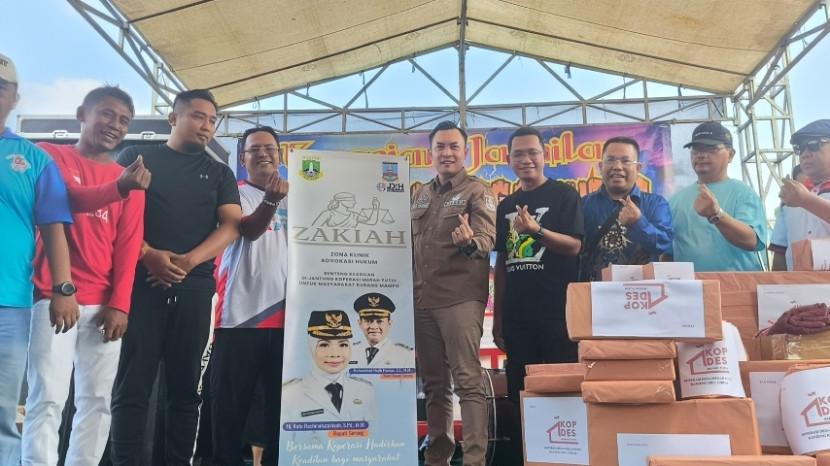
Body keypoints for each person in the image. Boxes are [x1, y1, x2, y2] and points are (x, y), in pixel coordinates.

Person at [109, 89, 242, 466]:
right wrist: (148, 254)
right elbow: (114, 215)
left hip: (195, 291)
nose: (206, 126)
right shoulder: (136, 158)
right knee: (132, 387)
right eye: (198, 116)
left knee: (185, 393)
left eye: (212, 120)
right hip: (139, 289)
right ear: (173, 118)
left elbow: (232, 225)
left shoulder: (220, 172)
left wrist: (188, 261)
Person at [22, 86, 147, 466]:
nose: (115, 125)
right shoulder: (48, 155)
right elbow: (64, 200)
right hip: (53, 296)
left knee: (96, 401)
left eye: (124, 120)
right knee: (47, 398)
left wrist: (120, 304)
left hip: (103, 305)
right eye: (107, 114)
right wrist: (119, 188)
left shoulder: (128, 179)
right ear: (82, 114)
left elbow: (129, 246)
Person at [0, 52, 77, 465]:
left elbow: (53, 229)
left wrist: (63, 289)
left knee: (2, 412)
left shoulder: (35, 160)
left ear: (15, 98)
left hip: (9, 304)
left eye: (1, 87)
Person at [491, 126, 583, 464]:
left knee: (564, 390)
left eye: (532, 152)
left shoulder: (564, 196)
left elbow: (574, 246)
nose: (526, 159)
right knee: (521, 393)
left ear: (545, 156)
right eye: (518, 153)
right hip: (518, 317)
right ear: (508, 159)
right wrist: (498, 317)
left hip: (558, 313)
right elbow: (503, 262)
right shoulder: (506, 205)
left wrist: (536, 230)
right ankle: (527, 456)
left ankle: (566, 456)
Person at [411, 120, 497, 466]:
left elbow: (486, 239)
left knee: (467, 381)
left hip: (459, 298)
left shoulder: (478, 191)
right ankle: (438, 457)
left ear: (465, 152)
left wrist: (470, 242)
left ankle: (474, 460)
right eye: (440, 147)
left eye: (453, 146)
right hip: (422, 300)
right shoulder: (420, 193)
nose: (447, 153)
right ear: (430, 153)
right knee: (434, 384)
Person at [211, 126, 288, 466]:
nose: (263, 154)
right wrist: (271, 200)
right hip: (241, 317)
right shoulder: (233, 195)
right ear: (243, 159)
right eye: (254, 149)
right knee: (229, 410)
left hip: (288, 320)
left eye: (269, 148)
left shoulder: (300, 197)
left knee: (280, 410)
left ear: (280, 155)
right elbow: (250, 230)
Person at [669, 121, 768, 271]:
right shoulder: (676, 200)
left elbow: (752, 241)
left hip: (736, 284)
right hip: (689, 285)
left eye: (710, 149)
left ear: (730, 155)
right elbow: (668, 253)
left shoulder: (744, 194)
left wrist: (716, 215)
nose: (701, 155)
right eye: (696, 149)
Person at [580, 136, 673, 280]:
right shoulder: (583, 205)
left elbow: (664, 244)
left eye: (625, 161)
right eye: (610, 160)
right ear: (600, 167)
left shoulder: (656, 204)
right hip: (594, 289)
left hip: (642, 290)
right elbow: (573, 248)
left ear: (638, 168)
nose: (617, 166)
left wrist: (639, 222)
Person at [281, 310, 376, 423]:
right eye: (324, 345)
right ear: (311, 348)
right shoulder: (288, 395)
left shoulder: (366, 391)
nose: (335, 354)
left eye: (343, 344)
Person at [770, 120, 830, 270]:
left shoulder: (800, 197)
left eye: (814, 145)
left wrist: (806, 200)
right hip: (800, 284)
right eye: (800, 149)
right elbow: (780, 251)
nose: (805, 154)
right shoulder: (792, 199)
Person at [350, 292, 414, 368]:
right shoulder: (349, 353)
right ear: (360, 323)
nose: (374, 327)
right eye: (368, 321)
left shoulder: (406, 355)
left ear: (389, 323)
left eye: (379, 321)